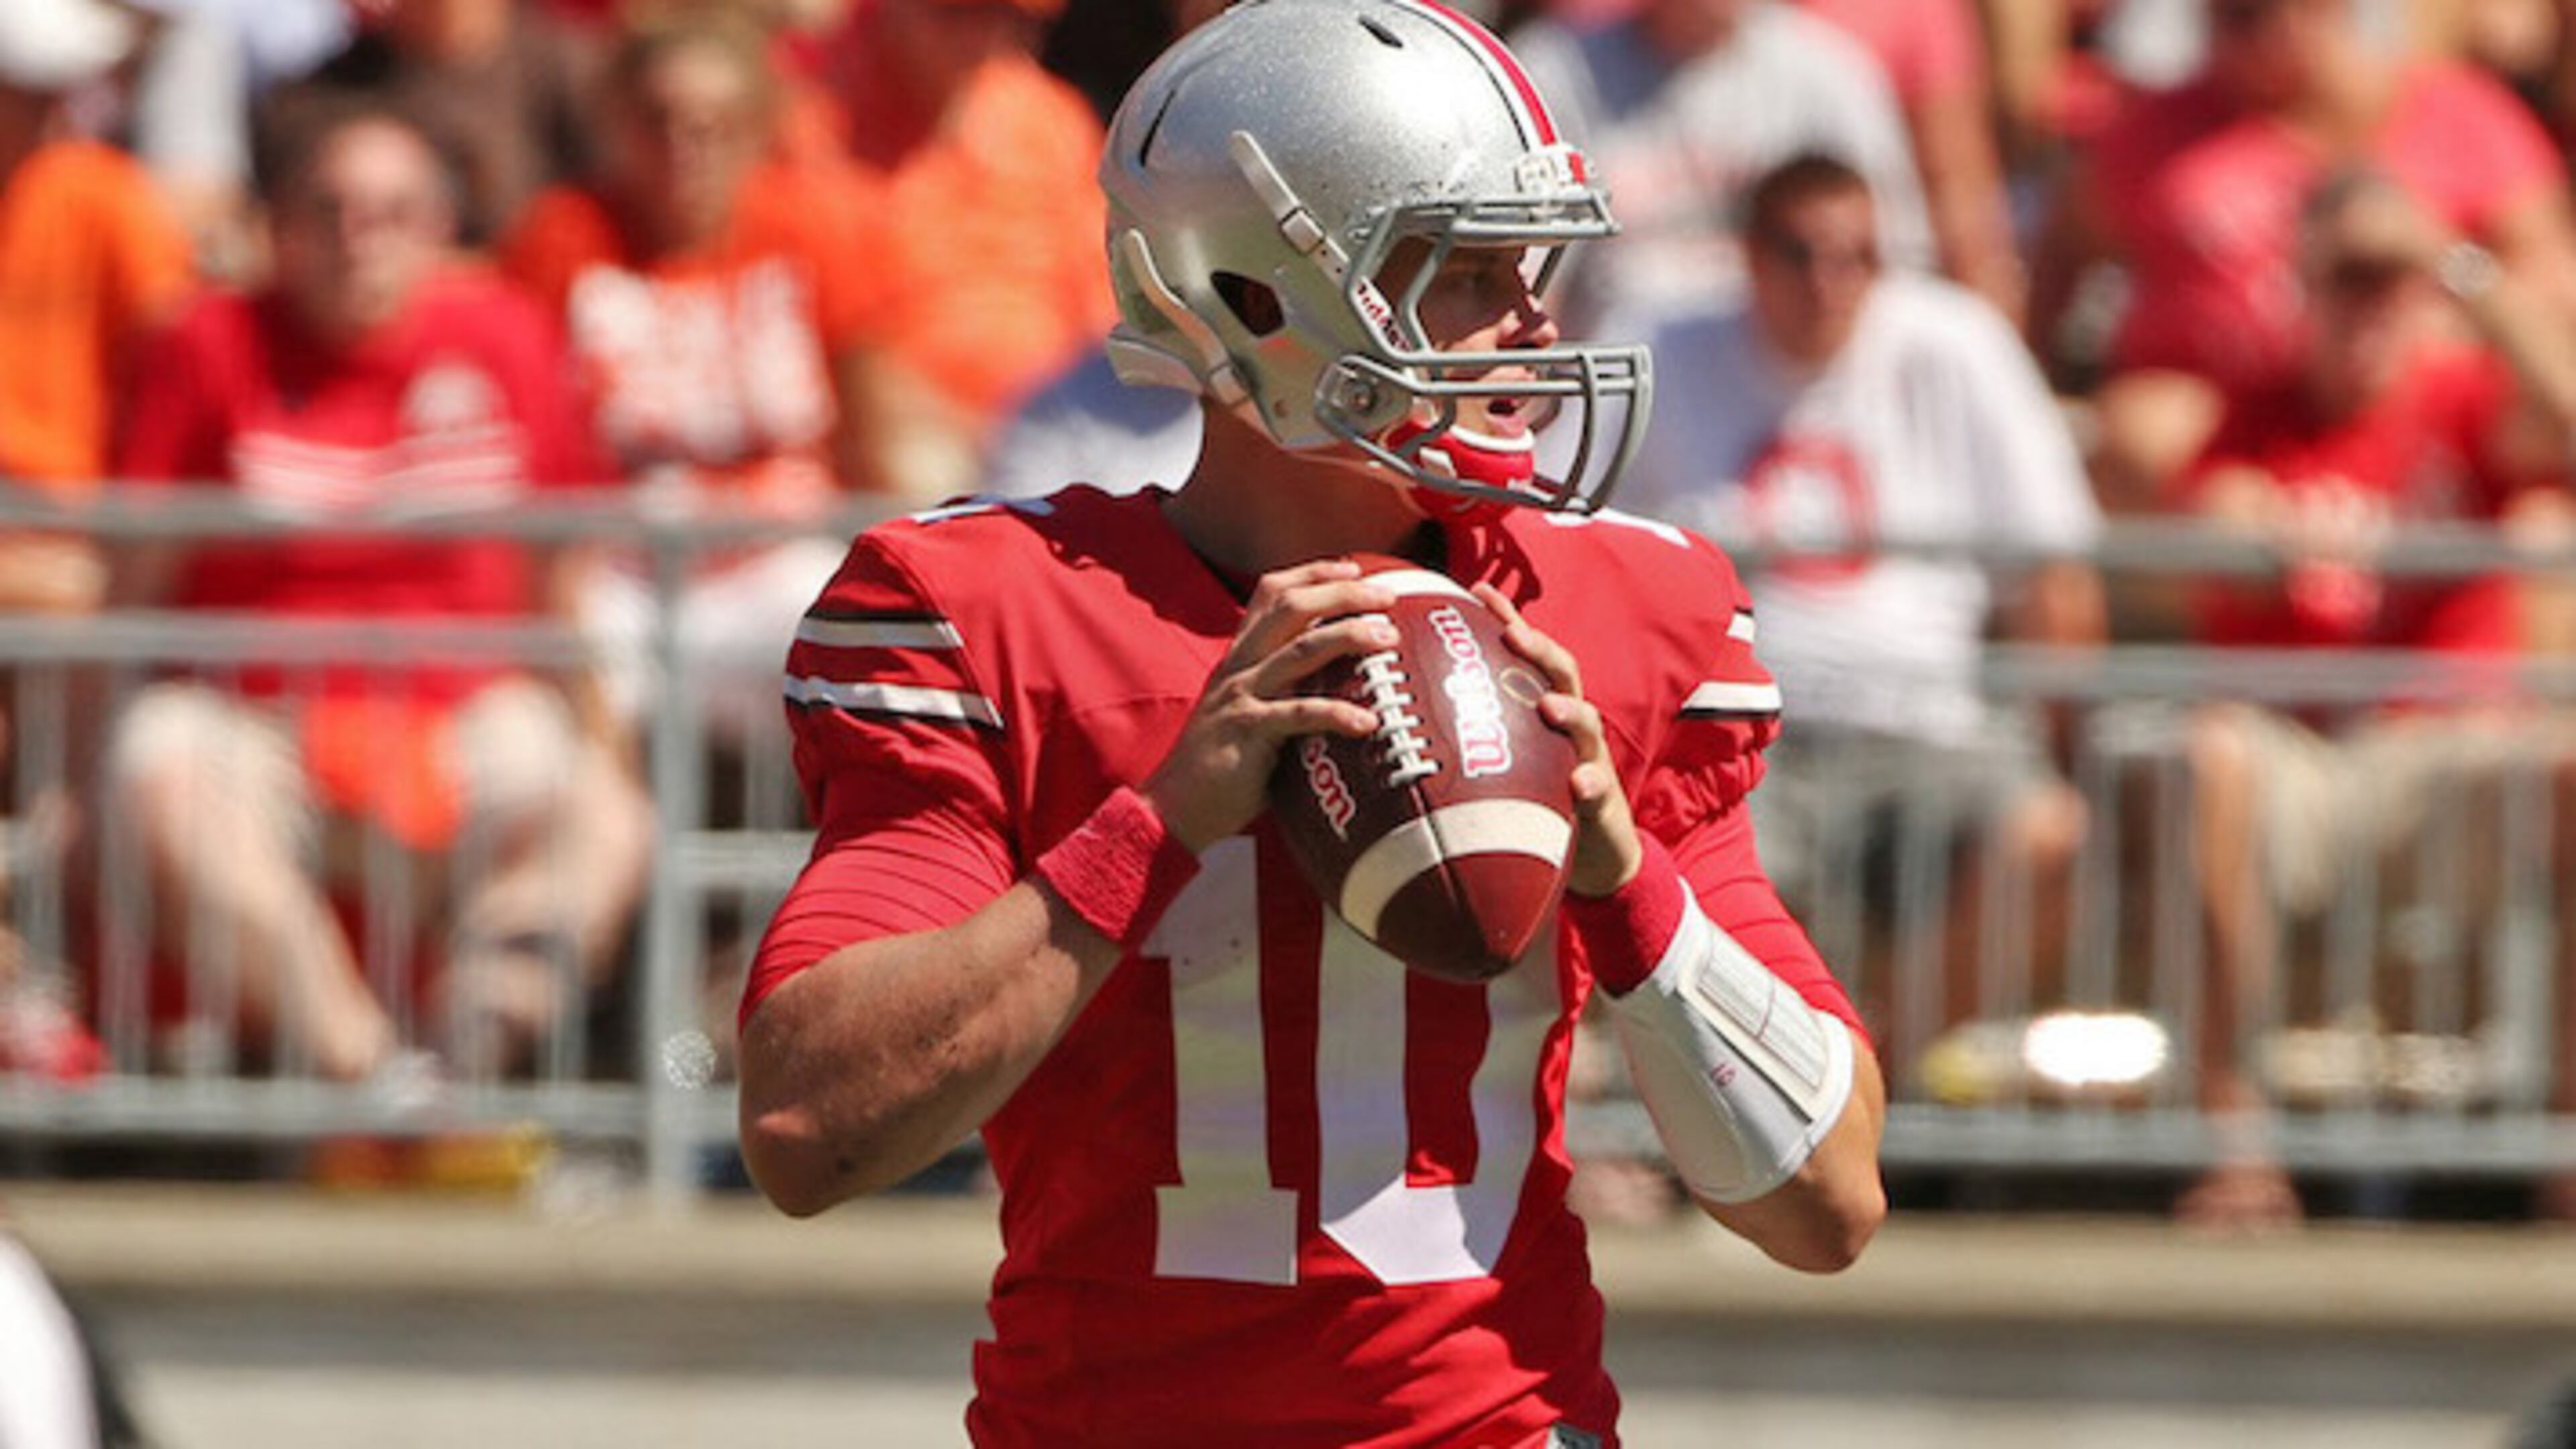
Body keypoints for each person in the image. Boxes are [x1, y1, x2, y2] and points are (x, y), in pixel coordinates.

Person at [737, 3, 1886, 1443]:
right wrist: (1148, 831)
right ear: (1257, 296)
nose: (1533, 324)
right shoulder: (995, 609)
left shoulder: (1616, 615)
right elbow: (803, 1127)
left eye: (1528, 267)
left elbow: (1829, 1201)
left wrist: (1625, 879)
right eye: (1469, 272)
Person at [99, 95, 651, 1083]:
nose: (362, 242)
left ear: (441, 229)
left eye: (394, 214)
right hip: (253, 716)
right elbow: (134, 579)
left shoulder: (510, 336)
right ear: (279, 226)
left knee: (608, 824)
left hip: (469, 711)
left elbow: (560, 572)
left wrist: (602, 743)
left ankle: (460, 1070)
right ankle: (369, 1075)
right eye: (330, 213)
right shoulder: (206, 342)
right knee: (153, 773)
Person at [1619, 153, 2105, 1090]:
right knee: (1639, 852)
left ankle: (1862, 1081)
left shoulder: (1955, 343)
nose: (1828, 283)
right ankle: (1731, 1107)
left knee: (2056, 834)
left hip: (1925, 731)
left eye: (1859, 258)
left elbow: (2056, 574)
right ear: (1749, 257)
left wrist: (2066, 749)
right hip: (1736, 738)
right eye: (1800, 254)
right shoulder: (1661, 341)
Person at [2166, 168, 2576, 1229]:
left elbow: (2571, 410)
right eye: (2347, 280)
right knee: (2211, 754)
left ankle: (2568, 1148)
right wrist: (2253, 533)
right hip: (2298, 757)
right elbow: (2209, 520)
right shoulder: (2256, 414)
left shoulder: (2467, 397)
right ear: (2302, 287)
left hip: (2446, 754)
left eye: (2392, 282)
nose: (2371, 306)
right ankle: (2237, 1143)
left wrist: (2454, 257)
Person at [498, 9, 899, 752]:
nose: (686, 147)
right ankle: (624, 845)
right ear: (619, 124)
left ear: (755, 130)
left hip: (777, 554)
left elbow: (869, 422)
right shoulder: (563, 236)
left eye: (713, 125)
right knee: (566, 652)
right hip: (620, 565)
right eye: (659, 121)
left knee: (861, 639)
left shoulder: (809, 231)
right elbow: (528, 428)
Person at [2027, 0, 2576, 511]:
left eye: (2258, 12)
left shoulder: (2456, 110)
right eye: (2224, 14)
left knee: (2539, 489)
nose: (2233, 34)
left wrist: (2440, 269)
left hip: (2428, 431)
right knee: (2146, 430)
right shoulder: (2154, 132)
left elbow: (2554, 288)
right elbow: (2060, 258)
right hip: (2243, 441)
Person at [777, 0, 1118, 500]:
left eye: (1005, 16)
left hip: (1060, 430)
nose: (981, 34)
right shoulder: (813, 126)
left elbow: (1103, 307)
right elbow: (824, 332)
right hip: (895, 445)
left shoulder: (1050, 120)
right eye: (956, 13)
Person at [1507, 0, 1933, 334]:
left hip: (1784, 386)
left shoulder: (1827, 76)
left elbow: (1897, 263)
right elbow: (1524, 285)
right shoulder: (1559, 70)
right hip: (1617, 390)